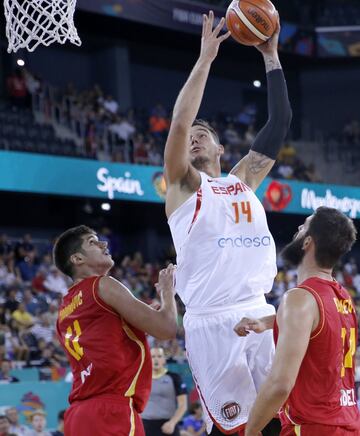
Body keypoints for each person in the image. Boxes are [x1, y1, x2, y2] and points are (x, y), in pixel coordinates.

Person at [164, 9, 292, 436]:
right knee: (235, 428)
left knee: (278, 419)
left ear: (221, 148)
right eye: (193, 136)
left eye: (205, 133)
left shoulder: (243, 180)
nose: (195, 135)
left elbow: (279, 123)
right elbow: (180, 122)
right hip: (212, 322)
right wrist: (205, 60)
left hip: (258, 310)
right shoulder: (183, 187)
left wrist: (270, 55)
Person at [234, 207, 360, 435]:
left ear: (307, 242)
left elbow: (280, 384)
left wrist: (251, 431)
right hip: (347, 423)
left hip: (312, 427)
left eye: (303, 226)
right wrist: (268, 321)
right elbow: (320, 327)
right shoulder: (343, 298)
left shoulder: (299, 298)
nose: (297, 229)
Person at [53, 225, 177, 436]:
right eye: (92, 242)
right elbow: (166, 329)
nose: (104, 243)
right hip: (110, 412)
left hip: (78, 416)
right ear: (77, 259)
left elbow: (106, 340)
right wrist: (168, 292)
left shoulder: (64, 310)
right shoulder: (102, 285)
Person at [142, 347, 187, 435]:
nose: (156, 359)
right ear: (148, 359)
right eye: (153, 356)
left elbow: (183, 405)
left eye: (159, 356)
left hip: (168, 426)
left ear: (164, 359)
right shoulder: (140, 379)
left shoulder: (174, 377)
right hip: (145, 426)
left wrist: (172, 423)